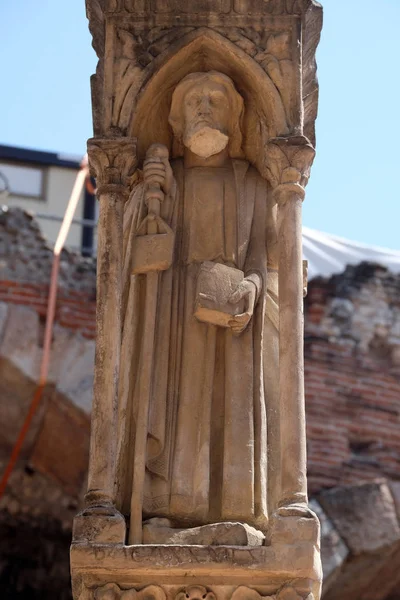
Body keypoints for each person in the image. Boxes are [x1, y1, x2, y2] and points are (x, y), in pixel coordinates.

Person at [117, 71, 278, 530]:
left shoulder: (252, 186)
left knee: (227, 410)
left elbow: (265, 262)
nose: (204, 108)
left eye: (214, 99)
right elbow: (131, 250)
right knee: (178, 406)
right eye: (193, 102)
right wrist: (152, 199)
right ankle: (166, 511)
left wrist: (251, 287)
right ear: (176, 118)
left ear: (235, 114)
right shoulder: (171, 181)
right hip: (173, 312)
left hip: (232, 317)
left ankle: (232, 513)